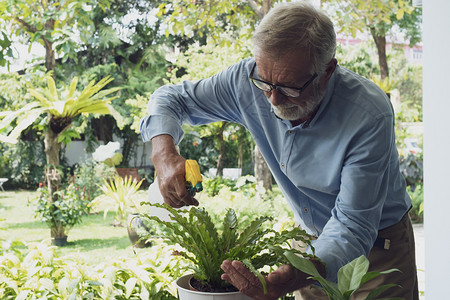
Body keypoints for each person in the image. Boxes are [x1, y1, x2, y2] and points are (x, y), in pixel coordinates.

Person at [139, 1, 419, 299]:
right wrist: (164, 155)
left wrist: (296, 275)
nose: (272, 99)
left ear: (327, 71)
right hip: (307, 247)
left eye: (290, 87)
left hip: (378, 249)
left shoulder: (368, 114)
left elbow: (353, 225)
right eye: (264, 82)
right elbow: (170, 98)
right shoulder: (245, 81)